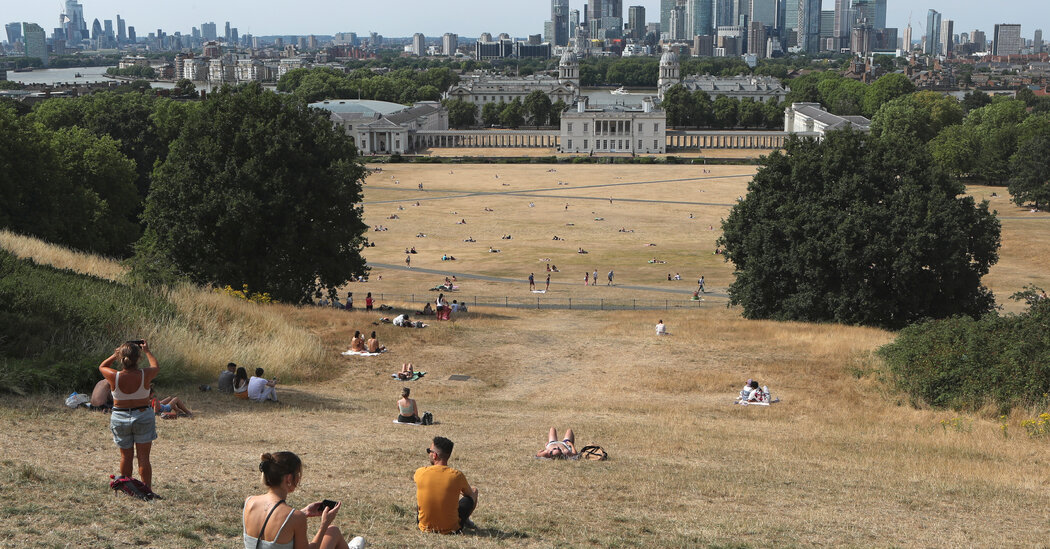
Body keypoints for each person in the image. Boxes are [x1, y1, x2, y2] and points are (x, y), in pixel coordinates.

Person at [244, 451, 365, 549]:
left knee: (333, 531)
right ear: (289, 478)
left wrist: (304, 512)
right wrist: (324, 524)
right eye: (298, 474)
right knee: (331, 530)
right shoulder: (296, 518)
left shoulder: (249, 502)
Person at [99, 340, 160, 489]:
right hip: (143, 415)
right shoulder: (145, 374)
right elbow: (155, 366)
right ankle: (146, 490)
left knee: (125, 456)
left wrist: (115, 354)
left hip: (120, 416)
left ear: (122, 358)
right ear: (138, 358)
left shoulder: (115, 376)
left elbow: (102, 366)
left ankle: (127, 487)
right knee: (144, 458)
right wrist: (147, 351)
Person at [415, 437, 479, 533]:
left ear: (434, 455)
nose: (428, 453)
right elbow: (470, 494)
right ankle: (465, 520)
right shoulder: (457, 476)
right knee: (474, 491)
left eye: (429, 451)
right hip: (452, 529)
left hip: (424, 526)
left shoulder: (420, 472)